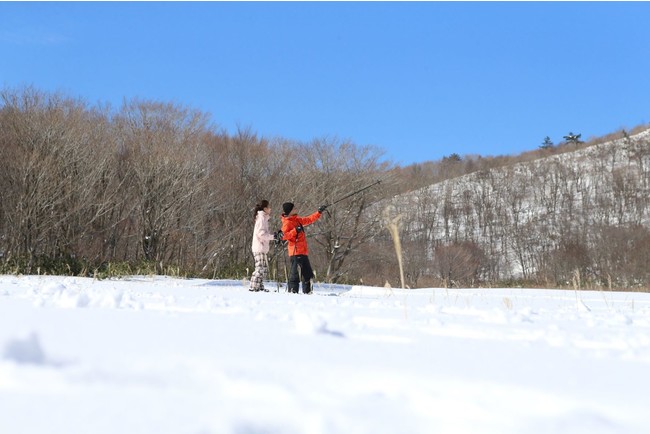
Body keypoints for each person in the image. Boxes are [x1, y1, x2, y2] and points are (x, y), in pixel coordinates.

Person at [280, 202, 327, 294]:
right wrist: (295, 231)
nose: (296, 209)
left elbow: (309, 219)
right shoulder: (287, 222)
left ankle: (308, 293)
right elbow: (283, 236)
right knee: (295, 275)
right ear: (289, 211)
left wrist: (319, 212)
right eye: (294, 208)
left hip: (303, 252)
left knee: (308, 274)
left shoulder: (297, 220)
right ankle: (293, 292)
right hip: (295, 252)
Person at [249, 200, 278, 292]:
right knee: (260, 268)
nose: (270, 209)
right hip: (259, 247)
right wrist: (273, 237)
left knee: (264, 269)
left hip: (262, 247)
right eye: (269, 207)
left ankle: (259, 286)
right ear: (265, 209)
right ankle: (254, 286)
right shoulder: (261, 218)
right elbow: (261, 234)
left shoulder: (264, 218)